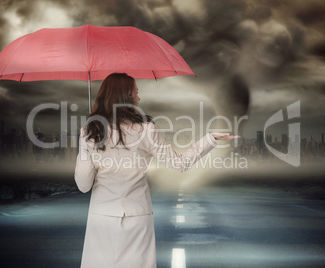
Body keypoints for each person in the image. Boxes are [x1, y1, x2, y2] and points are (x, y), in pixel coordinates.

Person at [74, 73, 240, 268]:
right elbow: (180, 164)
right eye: (136, 92)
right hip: (138, 217)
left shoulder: (89, 133)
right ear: (126, 96)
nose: (139, 98)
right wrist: (210, 139)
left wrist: (85, 148)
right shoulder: (146, 130)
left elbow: (84, 185)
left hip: (101, 217)